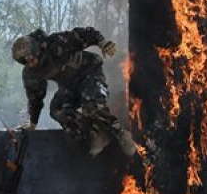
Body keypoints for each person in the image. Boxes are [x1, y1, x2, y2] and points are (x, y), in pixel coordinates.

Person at [11, 27, 137, 157]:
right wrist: (33, 122)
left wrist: (103, 43)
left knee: (92, 106)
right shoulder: (31, 73)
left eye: (31, 59)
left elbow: (86, 33)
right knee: (57, 110)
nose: (31, 64)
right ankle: (96, 134)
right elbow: (35, 98)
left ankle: (121, 134)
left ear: (36, 50)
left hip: (89, 74)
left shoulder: (56, 44)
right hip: (69, 86)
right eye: (26, 62)